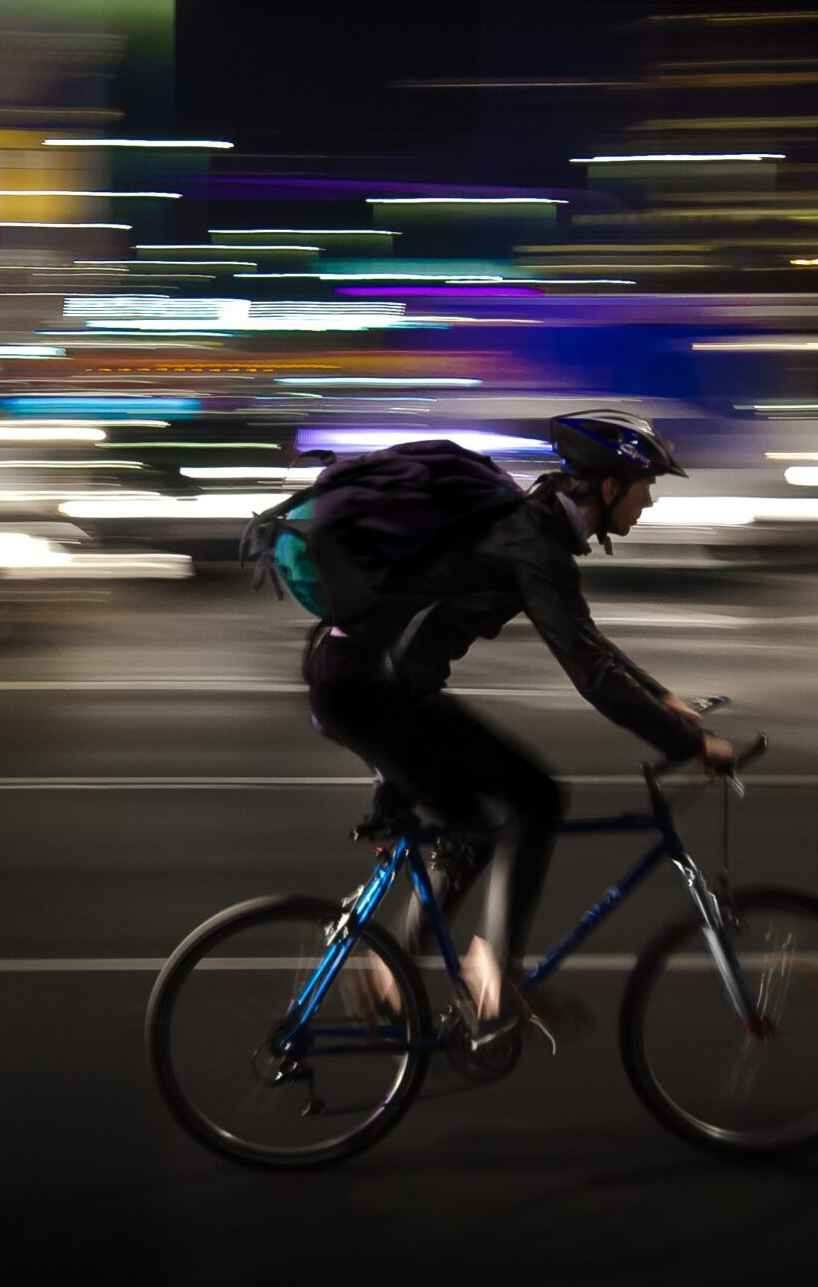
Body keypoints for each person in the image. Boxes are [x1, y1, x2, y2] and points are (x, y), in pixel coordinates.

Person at [305, 410, 736, 1036]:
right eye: (645, 488)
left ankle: (395, 974)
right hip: (367, 691)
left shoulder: (530, 528)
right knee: (535, 798)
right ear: (609, 487)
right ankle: (486, 980)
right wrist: (691, 741)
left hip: (374, 683)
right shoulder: (534, 543)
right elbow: (589, 674)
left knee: (478, 823)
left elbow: (586, 642)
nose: (649, 502)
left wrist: (664, 699)